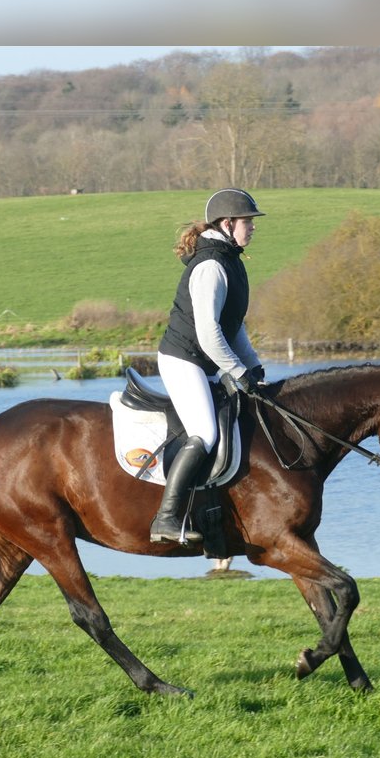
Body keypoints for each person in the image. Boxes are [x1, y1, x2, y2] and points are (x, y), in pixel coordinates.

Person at [149, 188, 267, 544]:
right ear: (228, 224)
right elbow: (208, 333)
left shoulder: (231, 260)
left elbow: (233, 324)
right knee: (206, 432)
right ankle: (165, 518)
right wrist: (237, 370)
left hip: (204, 361)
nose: (253, 228)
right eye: (248, 222)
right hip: (183, 359)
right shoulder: (211, 265)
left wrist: (254, 366)